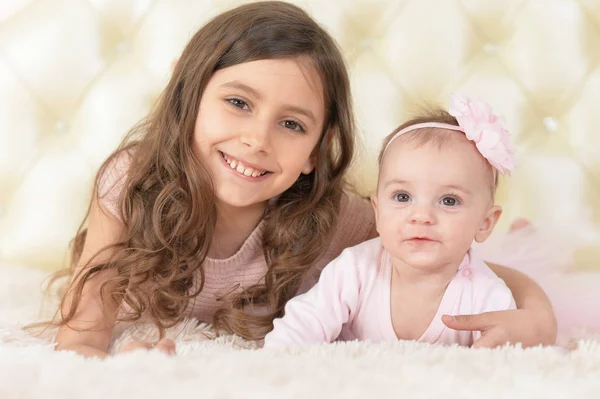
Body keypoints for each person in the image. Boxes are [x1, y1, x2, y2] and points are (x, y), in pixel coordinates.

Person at [47, 1, 556, 359]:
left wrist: (538, 315)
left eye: (292, 124)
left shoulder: (331, 217)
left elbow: (458, 259)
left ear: (317, 149)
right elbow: (81, 334)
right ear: (187, 94)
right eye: (238, 103)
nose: (257, 139)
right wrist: (123, 373)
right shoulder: (130, 183)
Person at [265, 95, 517, 347]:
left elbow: (500, 367)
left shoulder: (489, 296)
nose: (421, 216)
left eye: (449, 201)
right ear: (377, 211)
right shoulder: (355, 270)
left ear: (485, 223)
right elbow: (304, 324)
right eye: (402, 196)